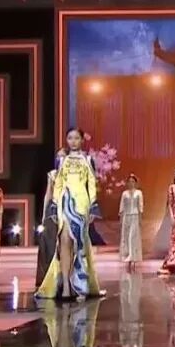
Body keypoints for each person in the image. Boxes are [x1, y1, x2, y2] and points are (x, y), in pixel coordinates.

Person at [36, 128, 104, 300]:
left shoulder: (88, 160)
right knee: (64, 240)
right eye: (70, 138)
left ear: (82, 140)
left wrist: (93, 206)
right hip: (64, 203)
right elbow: (58, 183)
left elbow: (91, 184)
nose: (73, 141)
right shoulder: (62, 161)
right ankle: (66, 285)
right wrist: (54, 206)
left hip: (81, 203)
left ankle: (80, 283)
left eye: (76, 138)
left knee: (79, 242)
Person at [36, 149, 65, 288]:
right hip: (52, 211)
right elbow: (48, 194)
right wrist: (44, 215)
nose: (60, 159)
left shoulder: (73, 174)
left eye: (63, 156)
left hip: (66, 210)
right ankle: (48, 277)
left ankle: (65, 277)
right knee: (49, 243)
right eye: (58, 156)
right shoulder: (52, 174)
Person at [119, 174, 144, 271]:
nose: (131, 183)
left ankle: (133, 257)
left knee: (132, 237)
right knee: (126, 237)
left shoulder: (139, 193)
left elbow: (140, 206)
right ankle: (127, 257)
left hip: (135, 216)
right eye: (129, 181)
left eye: (133, 181)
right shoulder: (125, 193)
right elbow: (122, 206)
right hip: (126, 216)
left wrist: (140, 219)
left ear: (135, 183)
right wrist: (121, 218)